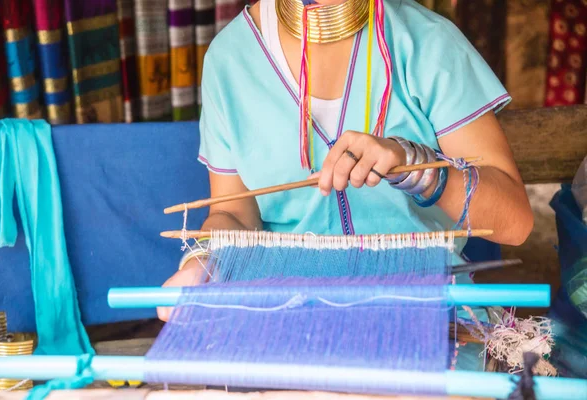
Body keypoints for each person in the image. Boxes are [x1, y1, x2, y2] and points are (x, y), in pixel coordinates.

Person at [158, 0, 534, 372]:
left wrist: (415, 166)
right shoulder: (230, 58)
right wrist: (203, 261)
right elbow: (231, 212)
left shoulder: (426, 43)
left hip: (427, 316)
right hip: (287, 319)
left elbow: (514, 222)